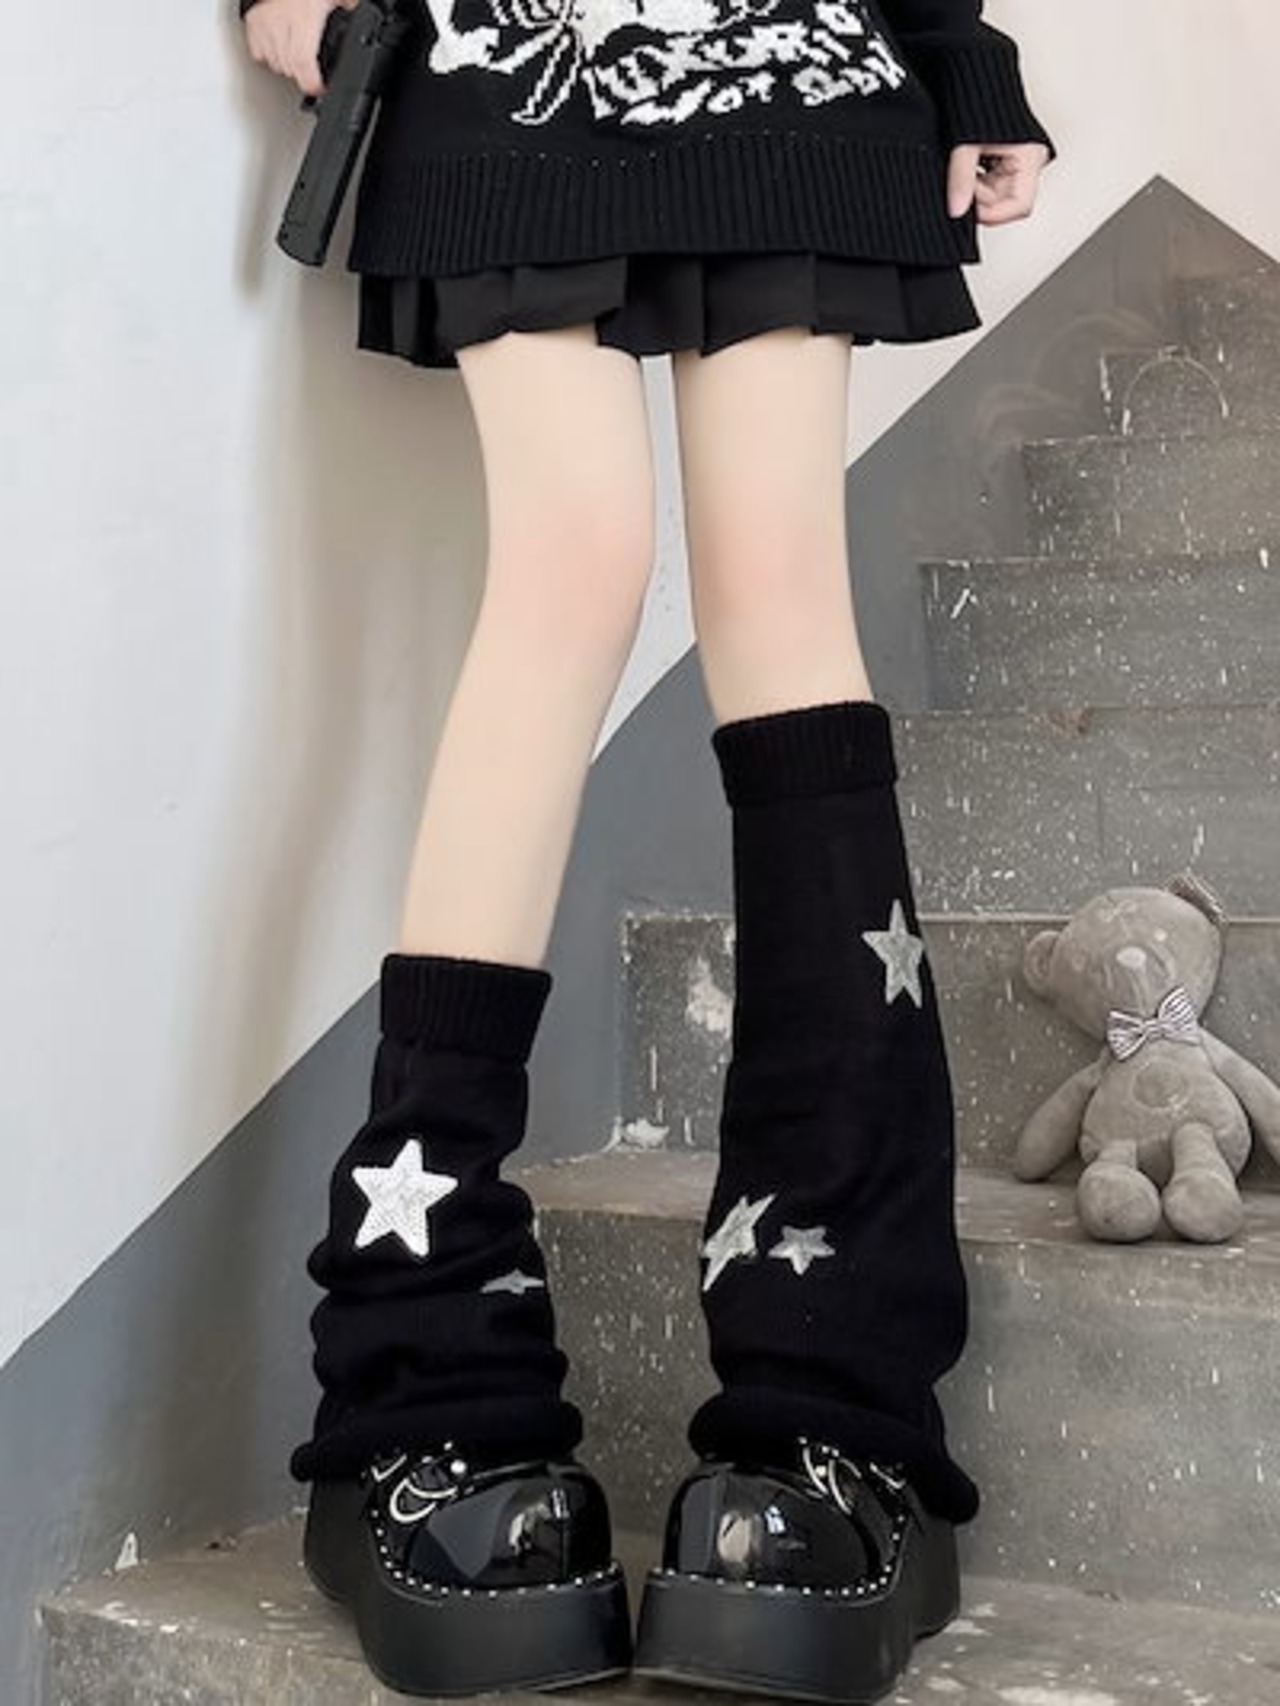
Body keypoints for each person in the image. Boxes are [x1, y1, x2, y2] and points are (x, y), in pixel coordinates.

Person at [239, 1, 1053, 1697]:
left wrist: (962, 52)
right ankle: (424, 1364)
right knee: (571, 570)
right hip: (504, 63)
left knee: (778, 589)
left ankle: (835, 1399)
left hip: (795, 60)